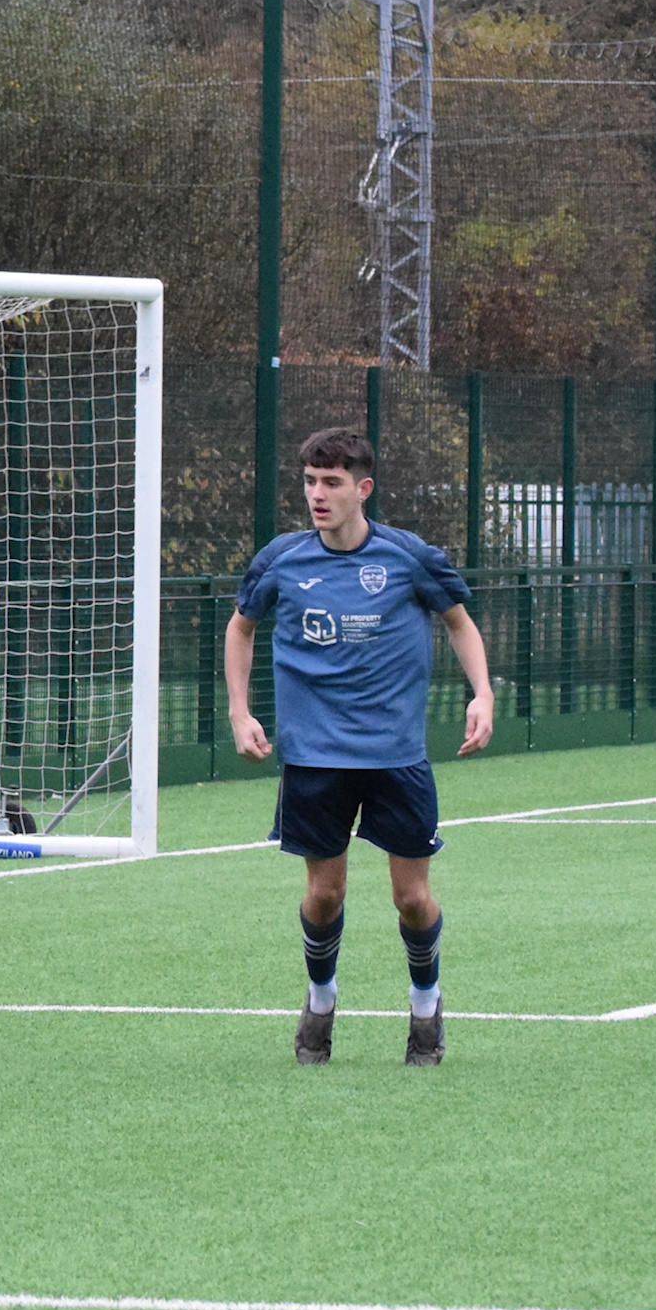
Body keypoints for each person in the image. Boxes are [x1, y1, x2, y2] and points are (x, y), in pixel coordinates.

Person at [225, 427, 493, 1067]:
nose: (318, 495)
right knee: (324, 895)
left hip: (395, 756)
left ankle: (425, 1008)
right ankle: (321, 1001)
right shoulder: (281, 560)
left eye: (332, 483)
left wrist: (481, 692)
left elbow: (458, 621)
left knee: (411, 897)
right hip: (314, 759)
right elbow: (241, 627)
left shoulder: (410, 557)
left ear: (362, 489)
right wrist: (239, 711)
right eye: (311, 482)